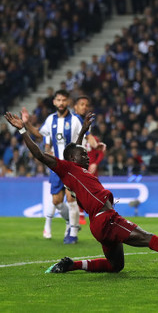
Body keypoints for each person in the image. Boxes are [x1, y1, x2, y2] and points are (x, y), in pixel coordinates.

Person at [5, 111, 158, 273]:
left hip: (101, 222)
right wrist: (23, 130)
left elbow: (74, 150)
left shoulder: (75, 170)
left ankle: (71, 265)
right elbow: (41, 155)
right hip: (106, 219)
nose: (88, 156)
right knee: (148, 238)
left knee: (116, 266)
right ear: (72, 160)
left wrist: (82, 131)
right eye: (83, 154)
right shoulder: (66, 168)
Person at [20, 90, 83, 244]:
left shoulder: (75, 120)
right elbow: (39, 135)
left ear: (67, 102)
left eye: (63, 100)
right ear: (54, 102)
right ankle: (70, 222)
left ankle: (72, 233)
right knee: (57, 201)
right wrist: (27, 123)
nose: (61, 103)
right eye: (58, 100)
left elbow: (83, 138)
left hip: (71, 166)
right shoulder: (50, 120)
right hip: (56, 166)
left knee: (71, 198)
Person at [72, 95, 106, 225]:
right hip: (75, 163)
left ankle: (78, 220)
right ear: (75, 106)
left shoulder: (85, 125)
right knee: (76, 191)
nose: (84, 107)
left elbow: (96, 147)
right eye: (81, 104)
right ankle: (77, 218)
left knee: (88, 190)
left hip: (87, 165)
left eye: (86, 105)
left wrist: (95, 162)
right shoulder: (75, 121)